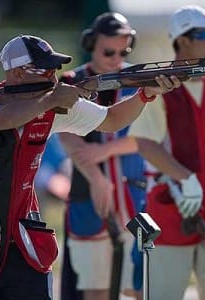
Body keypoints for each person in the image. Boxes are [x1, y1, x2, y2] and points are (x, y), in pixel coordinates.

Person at [0, 34, 180, 300]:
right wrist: (50, 101)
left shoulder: (49, 105)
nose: (53, 76)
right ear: (18, 74)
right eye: (44, 69)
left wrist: (145, 93)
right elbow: (2, 119)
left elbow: (113, 120)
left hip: (22, 243)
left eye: (54, 68)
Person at [127, 5, 205, 300]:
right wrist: (186, 178)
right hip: (172, 210)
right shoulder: (159, 85)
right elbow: (145, 144)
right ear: (182, 40)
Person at [58, 12, 148, 300]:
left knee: (137, 287)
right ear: (91, 44)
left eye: (124, 51)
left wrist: (105, 150)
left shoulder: (138, 80)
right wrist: (96, 177)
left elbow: (149, 140)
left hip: (134, 195)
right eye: (109, 51)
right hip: (88, 195)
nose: (117, 58)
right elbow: (68, 137)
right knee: (94, 289)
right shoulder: (72, 81)